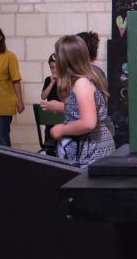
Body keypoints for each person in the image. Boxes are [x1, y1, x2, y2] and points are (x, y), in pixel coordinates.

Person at [49, 35, 114, 166]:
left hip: (92, 152)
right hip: (87, 149)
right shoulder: (79, 81)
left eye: (58, 56)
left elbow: (88, 123)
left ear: (66, 60)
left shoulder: (81, 83)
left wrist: (61, 129)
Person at [41, 53, 61, 148]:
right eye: (52, 68)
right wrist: (52, 83)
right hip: (50, 117)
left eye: (57, 67)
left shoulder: (67, 80)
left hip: (61, 116)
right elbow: (43, 96)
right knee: (49, 143)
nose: (54, 70)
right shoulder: (48, 80)